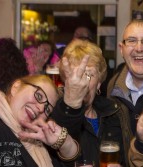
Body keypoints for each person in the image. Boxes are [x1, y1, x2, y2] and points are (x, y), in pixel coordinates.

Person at [51, 39, 123, 167]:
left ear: (99, 83)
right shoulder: (55, 117)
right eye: (76, 75)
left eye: (89, 75)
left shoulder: (113, 114)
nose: (82, 82)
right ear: (65, 81)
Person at [0, 75, 80, 167]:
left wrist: (65, 143)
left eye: (47, 110)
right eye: (39, 96)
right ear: (16, 87)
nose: (41, 108)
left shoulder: (38, 144)